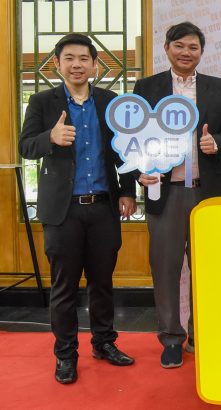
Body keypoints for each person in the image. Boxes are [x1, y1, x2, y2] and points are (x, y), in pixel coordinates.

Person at [18, 33, 137, 384]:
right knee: (64, 287)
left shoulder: (110, 102)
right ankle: (66, 355)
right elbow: (25, 146)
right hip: (62, 211)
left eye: (84, 58)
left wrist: (127, 192)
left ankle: (104, 342)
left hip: (103, 207)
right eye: (69, 58)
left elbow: (124, 151)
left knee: (102, 283)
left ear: (95, 65)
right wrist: (50, 138)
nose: (76, 65)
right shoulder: (42, 102)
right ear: (57, 64)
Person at [134, 22, 221, 368]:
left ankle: (201, 334)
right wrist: (139, 172)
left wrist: (217, 143)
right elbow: (132, 136)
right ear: (166, 48)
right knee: (165, 269)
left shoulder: (219, 88)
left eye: (193, 47)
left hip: (206, 192)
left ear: (201, 52)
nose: (186, 52)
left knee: (207, 268)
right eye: (179, 45)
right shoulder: (147, 87)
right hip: (164, 192)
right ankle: (170, 337)